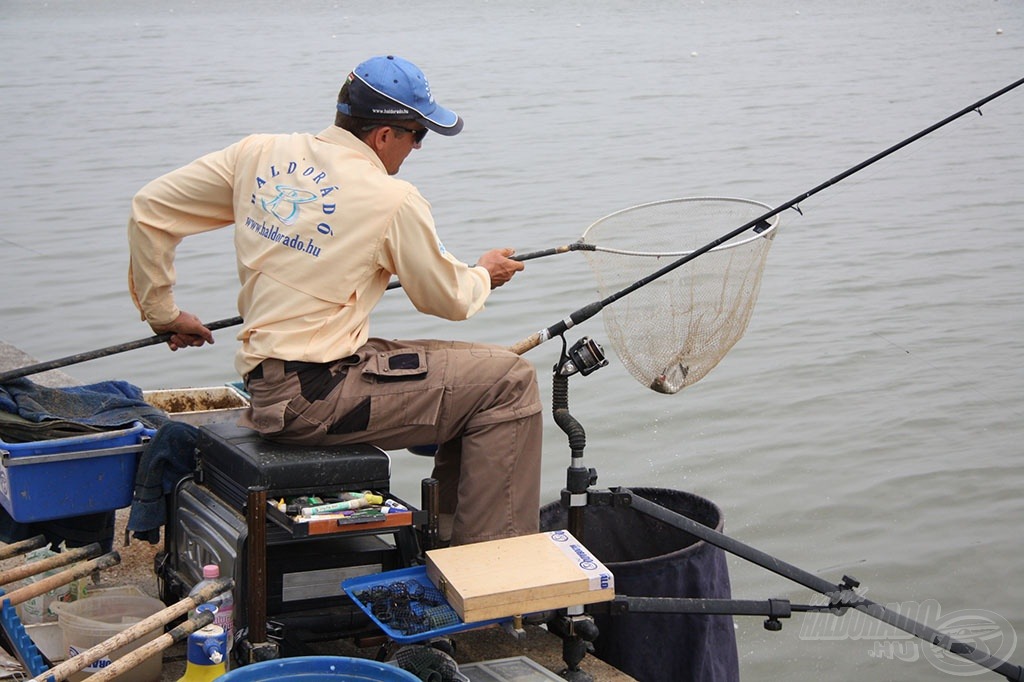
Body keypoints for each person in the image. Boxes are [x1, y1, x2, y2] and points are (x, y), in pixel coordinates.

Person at [127, 55, 543, 546]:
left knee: (481, 367)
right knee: (510, 381)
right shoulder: (393, 199)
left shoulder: (259, 154)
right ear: (383, 135)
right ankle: (490, 569)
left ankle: (448, 543)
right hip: (312, 401)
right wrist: (483, 275)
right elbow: (448, 298)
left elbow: (150, 211)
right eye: (417, 135)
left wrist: (164, 314)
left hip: (270, 383)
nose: (417, 148)